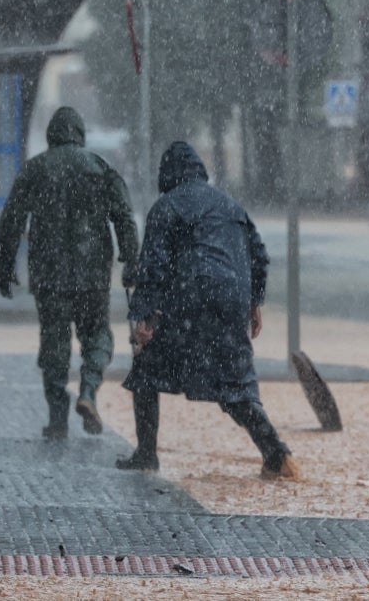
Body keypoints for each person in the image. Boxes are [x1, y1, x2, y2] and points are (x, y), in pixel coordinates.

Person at [116, 141, 301, 481]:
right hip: (230, 300)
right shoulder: (231, 206)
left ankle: (145, 454)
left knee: (147, 370)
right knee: (234, 383)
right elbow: (258, 255)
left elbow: (153, 267)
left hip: (189, 300)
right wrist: (253, 301)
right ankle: (277, 454)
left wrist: (142, 316)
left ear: (167, 175)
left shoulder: (165, 207)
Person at [0, 106, 139, 439]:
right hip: (92, 276)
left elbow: (12, 221)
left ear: (51, 136)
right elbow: (124, 216)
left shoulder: (34, 170)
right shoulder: (100, 168)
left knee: (54, 344)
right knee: (97, 336)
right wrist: (131, 259)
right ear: (80, 133)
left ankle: (57, 418)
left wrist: (4, 268)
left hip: (49, 275)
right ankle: (88, 392)